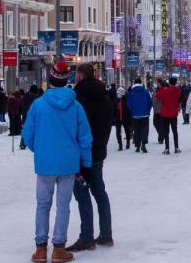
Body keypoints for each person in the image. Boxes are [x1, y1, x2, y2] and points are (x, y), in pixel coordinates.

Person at [22, 60, 93, 263]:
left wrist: (40, 149)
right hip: (69, 163)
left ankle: (41, 248)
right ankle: (59, 247)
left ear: (50, 79)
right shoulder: (76, 106)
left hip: (45, 164)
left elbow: (28, 134)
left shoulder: (38, 105)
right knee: (63, 205)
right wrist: (85, 163)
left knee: (42, 205)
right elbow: (85, 138)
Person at [67, 64, 114, 253]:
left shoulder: (78, 99)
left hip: (81, 153)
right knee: (100, 193)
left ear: (79, 76)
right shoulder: (105, 97)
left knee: (82, 195)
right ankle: (106, 234)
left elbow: (74, 127)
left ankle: (87, 237)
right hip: (99, 151)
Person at [155, 77, 182, 154]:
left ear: (169, 83)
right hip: (174, 114)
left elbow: (157, 95)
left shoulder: (165, 90)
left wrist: (162, 88)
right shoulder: (178, 91)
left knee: (166, 131)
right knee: (175, 131)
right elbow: (179, 97)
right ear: (175, 83)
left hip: (165, 114)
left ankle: (167, 149)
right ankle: (176, 148)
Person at [125, 78, 153, 153]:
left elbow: (128, 103)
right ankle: (143, 144)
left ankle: (137, 146)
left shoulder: (131, 92)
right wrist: (148, 111)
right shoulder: (146, 91)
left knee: (136, 130)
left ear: (134, 83)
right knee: (144, 130)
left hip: (135, 115)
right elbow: (150, 102)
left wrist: (133, 110)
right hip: (145, 115)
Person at [19, 85, 42, 150]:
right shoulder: (36, 97)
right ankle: (35, 144)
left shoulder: (25, 95)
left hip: (24, 115)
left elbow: (21, 105)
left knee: (25, 129)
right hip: (33, 116)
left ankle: (22, 144)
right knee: (35, 130)